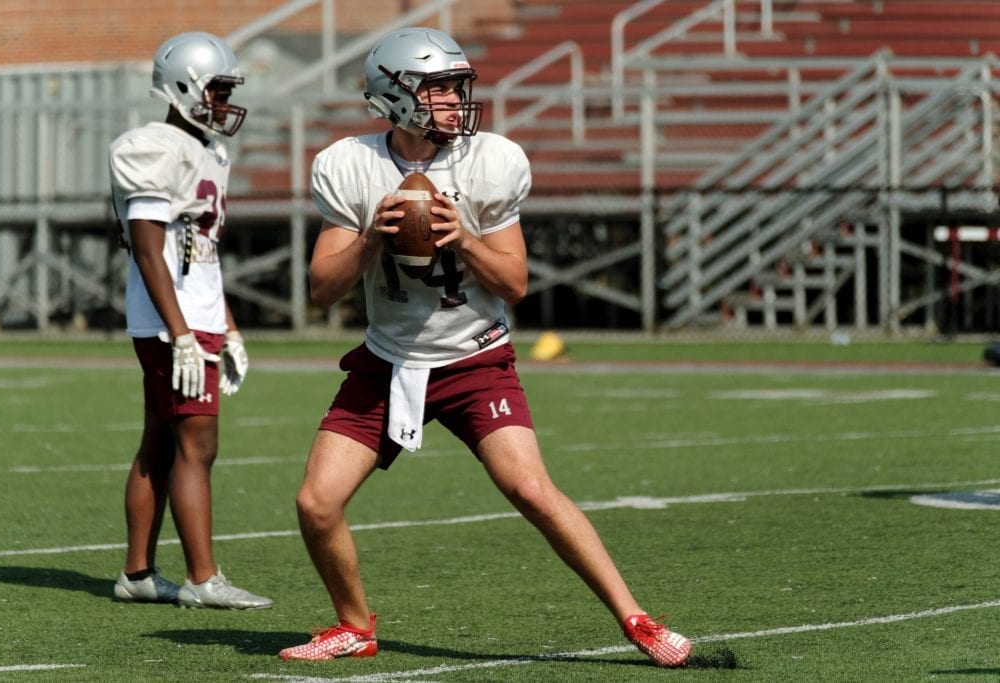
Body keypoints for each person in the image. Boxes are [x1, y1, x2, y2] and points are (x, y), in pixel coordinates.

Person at [277, 27, 689, 666]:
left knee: (529, 488)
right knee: (315, 502)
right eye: (437, 86)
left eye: (454, 85)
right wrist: (372, 239)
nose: (452, 99)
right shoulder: (348, 164)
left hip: (474, 357)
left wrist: (464, 238)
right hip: (388, 362)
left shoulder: (490, 160)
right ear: (395, 93)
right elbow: (321, 291)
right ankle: (354, 626)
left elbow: (515, 283)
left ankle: (634, 618)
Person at [108, 31, 272, 611]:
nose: (225, 101)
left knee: (160, 440)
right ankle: (203, 579)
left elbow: (201, 251)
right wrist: (180, 332)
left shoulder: (211, 151)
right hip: (167, 321)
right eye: (218, 88)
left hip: (192, 315)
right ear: (182, 87)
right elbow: (149, 251)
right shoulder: (151, 147)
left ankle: (138, 574)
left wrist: (225, 324)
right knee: (197, 445)